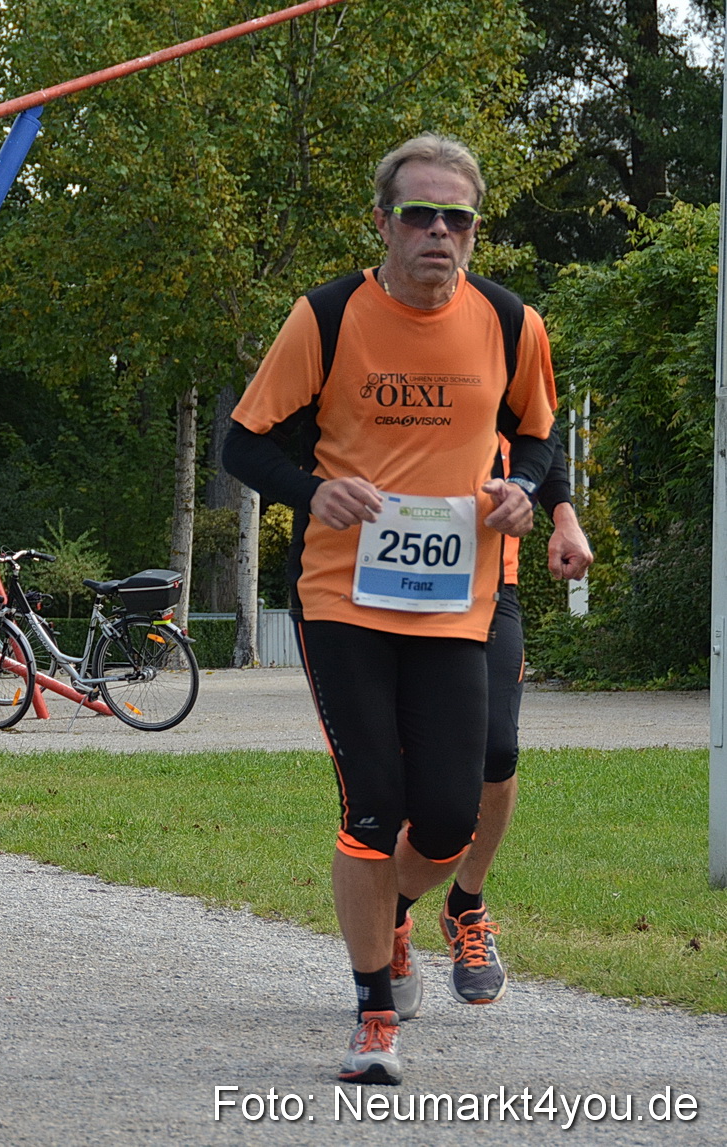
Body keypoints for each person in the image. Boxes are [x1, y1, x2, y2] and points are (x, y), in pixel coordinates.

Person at [222, 134, 557, 1086]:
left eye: (457, 218)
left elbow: (537, 435)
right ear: (383, 222)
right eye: (420, 215)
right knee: (375, 806)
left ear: (475, 229)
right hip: (345, 597)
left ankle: (409, 909)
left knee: (447, 819)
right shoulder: (326, 317)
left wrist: (526, 491)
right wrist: (309, 490)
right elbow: (241, 443)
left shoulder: (509, 320)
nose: (439, 234)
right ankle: (375, 1011)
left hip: (459, 602)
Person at [391, 454, 592, 1015]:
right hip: (389, 583)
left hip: (487, 585)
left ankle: (465, 904)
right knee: (410, 764)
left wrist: (564, 517)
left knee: (498, 747)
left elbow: (539, 437)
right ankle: (391, 921)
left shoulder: (502, 365)